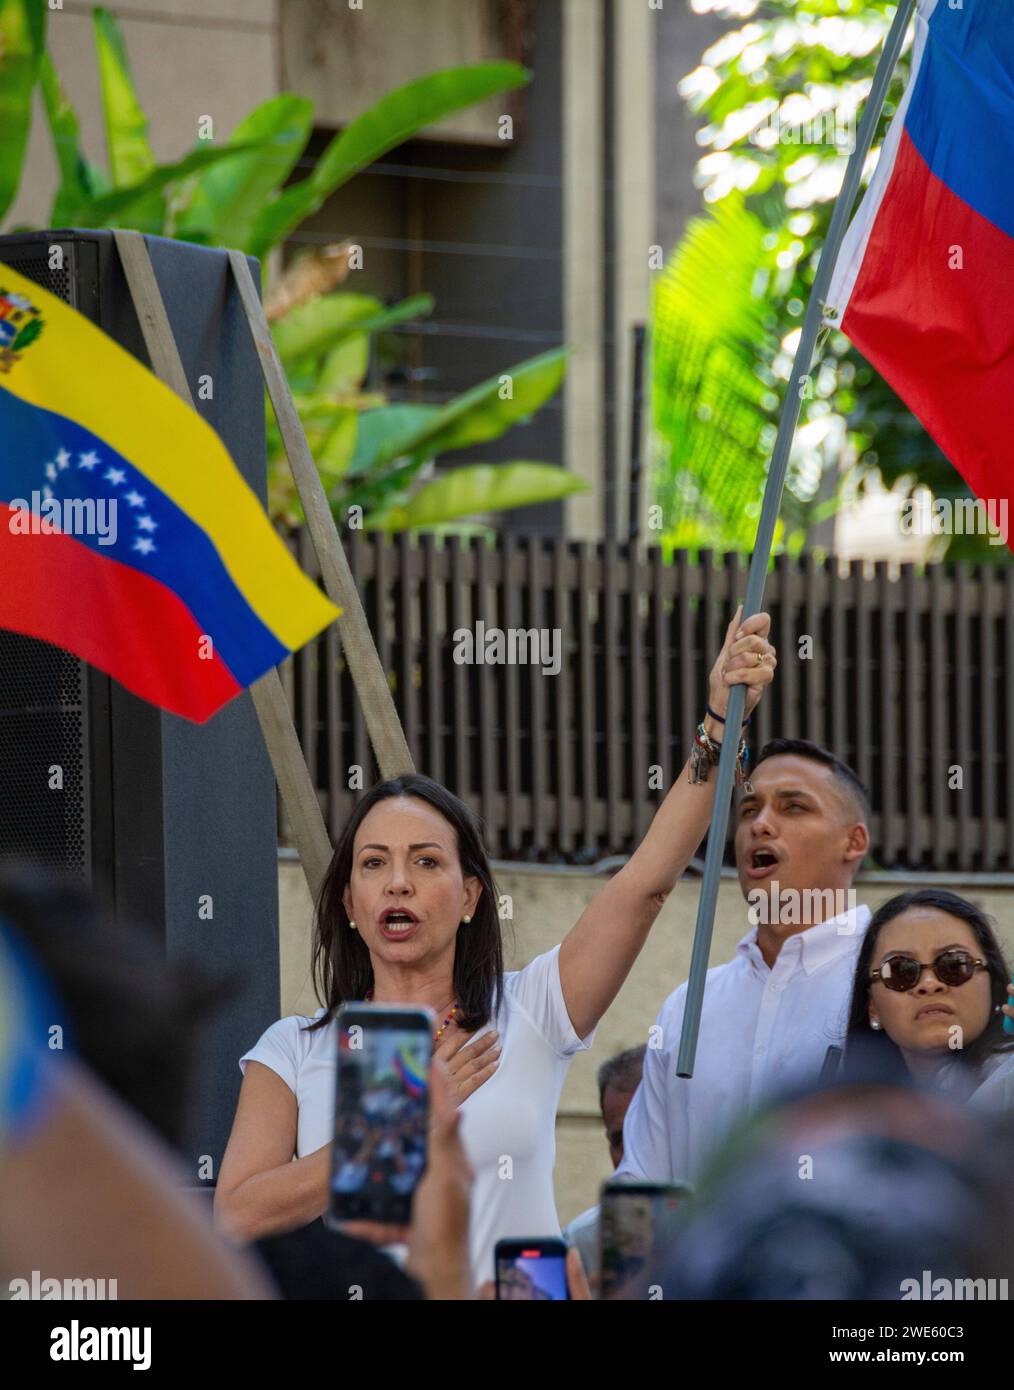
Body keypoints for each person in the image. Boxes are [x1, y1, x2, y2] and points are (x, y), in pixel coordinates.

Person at [215, 608, 777, 1287]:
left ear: (471, 897)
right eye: (373, 864)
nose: (398, 882)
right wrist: (400, 1125)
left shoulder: (533, 1009)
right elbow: (237, 1217)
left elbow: (645, 887)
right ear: (348, 905)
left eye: (426, 862)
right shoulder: (292, 1048)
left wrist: (721, 724)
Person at [618, 738, 873, 1187]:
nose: (762, 824)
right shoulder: (688, 1006)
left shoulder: (897, 980)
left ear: (853, 841)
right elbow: (643, 1184)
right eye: (749, 809)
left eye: (793, 808)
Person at [842, 888, 1014, 1110]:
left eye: (955, 965)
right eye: (900, 970)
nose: (929, 984)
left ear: (993, 985)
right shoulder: (847, 1111)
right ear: (873, 1006)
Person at [564, 1044, 646, 1283]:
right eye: (619, 1140)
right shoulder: (581, 1244)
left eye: (645, 1134)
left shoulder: (723, 1237)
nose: (632, 1154)